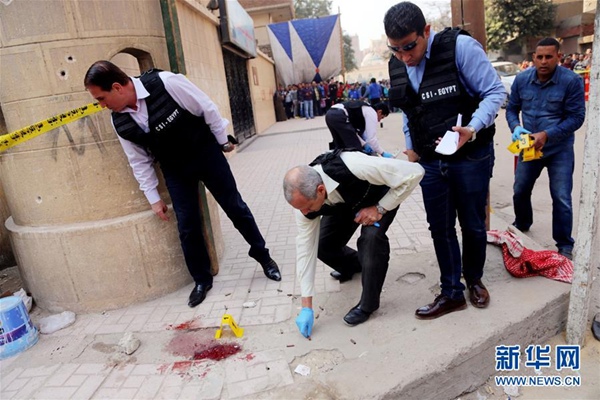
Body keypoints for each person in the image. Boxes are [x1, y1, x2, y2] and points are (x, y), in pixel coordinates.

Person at [83, 61, 282, 308]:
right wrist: (153, 198)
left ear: (117, 87)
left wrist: (222, 141)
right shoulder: (119, 121)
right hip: (175, 170)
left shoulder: (167, 83)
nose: (101, 106)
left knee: (235, 208)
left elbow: (207, 109)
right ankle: (201, 280)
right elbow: (138, 160)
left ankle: (264, 257)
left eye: (101, 98)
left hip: (206, 154)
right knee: (187, 226)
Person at [384, 2, 505, 319]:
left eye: (409, 47)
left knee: (473, 225)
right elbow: (409, 111)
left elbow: (494, 92)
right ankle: (451, 292)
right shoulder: (397, 64)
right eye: (395, 49)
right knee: (440, 227)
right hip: (430, 160)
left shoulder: (459, 48)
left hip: (471, 156)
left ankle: (474, 279)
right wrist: (411, 148)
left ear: (426, 31)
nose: (404, 57)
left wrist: (472, 128)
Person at [283, 150, 424, 337]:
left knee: (371, 241)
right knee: (322, 245)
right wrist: (306, 306)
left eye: (307, 207)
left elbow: (415, 172)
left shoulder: (355, 165)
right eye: (300, 209)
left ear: (320, 190)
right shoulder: (304, 203)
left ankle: (368, 305)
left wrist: (380, 208)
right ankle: (354, 266)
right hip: (344, 204)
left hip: (377, 197)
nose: (305, 213)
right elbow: (306, 250)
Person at [506, 37, 585, 260]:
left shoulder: (571, 81)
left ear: (558, 57)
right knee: (520, 189)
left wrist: (547, 134)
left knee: (561, 197)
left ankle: (564, 244)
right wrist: (516, 127)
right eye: (539, 57)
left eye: (549, 57)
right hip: (529, 147)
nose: (543, 61)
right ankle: (522, 223)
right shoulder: (522, 79)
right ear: (533, 57)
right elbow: (511, 109)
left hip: (559, 149)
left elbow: (577, 117)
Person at [326, 100, 394, 158]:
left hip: (329, 114)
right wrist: (382, 153)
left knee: (340, 147)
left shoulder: (363, 109)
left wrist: (364, 144)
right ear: (379, 112)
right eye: (382, 117)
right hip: (340, 115)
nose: (379, 120)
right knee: (355, 150)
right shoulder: (372, 112)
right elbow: (371, 139)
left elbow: (353, 133)